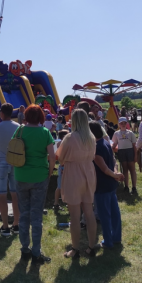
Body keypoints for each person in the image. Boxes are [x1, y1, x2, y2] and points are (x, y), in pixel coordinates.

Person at [14, 104, 55, 265]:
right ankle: (36, 252)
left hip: (21, 176)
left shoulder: (19, 131)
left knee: (24, 214)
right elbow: (52, 157)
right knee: (36, 215)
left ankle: (25, 249)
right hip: (40, 177)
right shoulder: (45, 133)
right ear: (41, 118)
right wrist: (49, 173)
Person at [55, 109, 97, 259]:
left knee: (74, 216)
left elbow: (59, 157)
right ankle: (92, 247)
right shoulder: (91, 137)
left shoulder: (70, 137)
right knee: (89, 212)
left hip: (73, 173)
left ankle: (75, 249)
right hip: (89, 172)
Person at [90, 121, 124, 249]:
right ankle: (116, 237)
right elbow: (113, 162)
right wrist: (116, 174)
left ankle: (108, 241)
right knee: (115, 212)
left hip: (102, 185)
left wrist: (115, 175)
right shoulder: (105, 143)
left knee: (105, 215)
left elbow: (104, 168)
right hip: (111, 184)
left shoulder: (96, 148)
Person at [0, 103, 20, 237]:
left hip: (1, 161)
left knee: (2, 195)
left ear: (2, 113)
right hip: (14, 161)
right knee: (15, 195)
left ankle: (5, 226)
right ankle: (16, 223)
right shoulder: (18, 127)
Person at [112, 117, 137, 194]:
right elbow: (115, 143)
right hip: (121, 152)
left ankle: (134, 187)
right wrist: (110, 148)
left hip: (130, 151)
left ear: (127, 123)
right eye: (121, 123)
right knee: (125, 169)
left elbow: (134, 145)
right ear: (119, 124)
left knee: (132, 169)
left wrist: (135, 155)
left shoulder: (130, 133)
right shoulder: (116, 133)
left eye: (124, 123)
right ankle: (126, 186)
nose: (123, 124)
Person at [53, 129, 68, 212]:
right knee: (61, 186)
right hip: (64, 166)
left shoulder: (60, 143)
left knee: (60, 186)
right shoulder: (63, 144)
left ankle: (57, 202)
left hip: (62, 166)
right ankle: (56, 203)